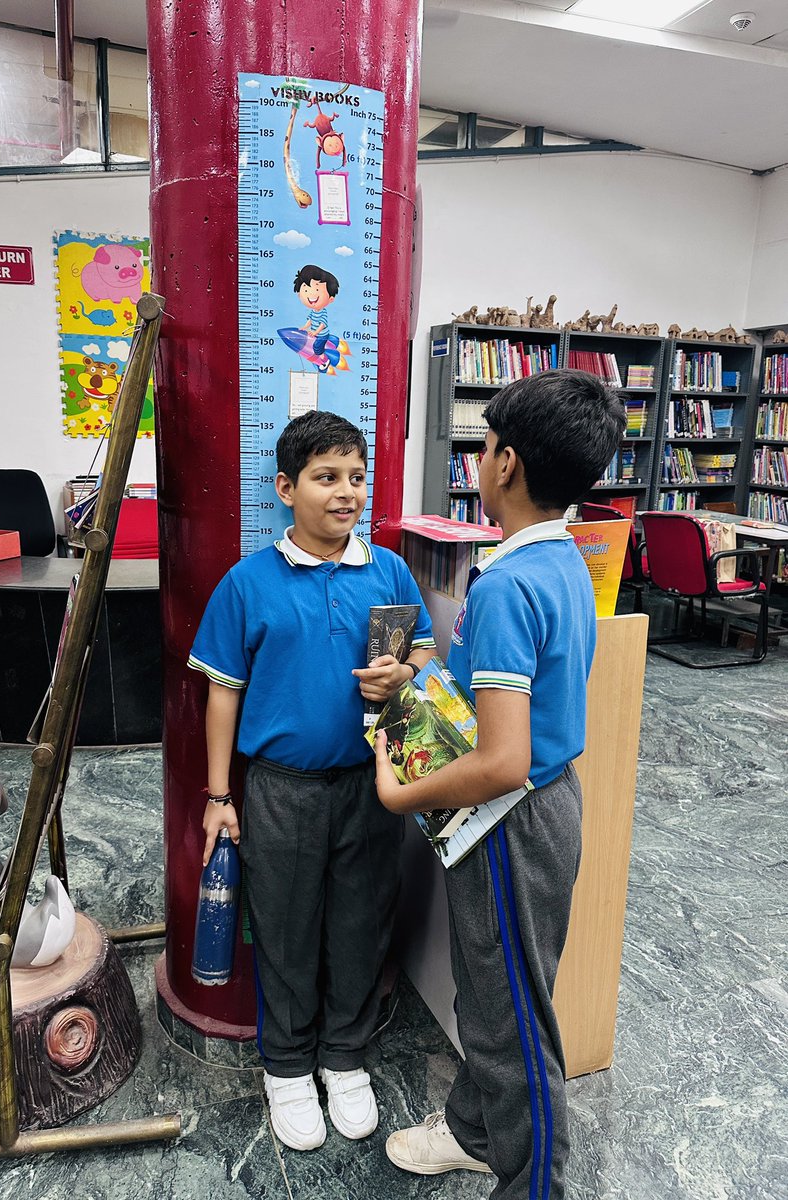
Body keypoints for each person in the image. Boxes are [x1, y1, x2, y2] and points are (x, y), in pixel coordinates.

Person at [374, 370, 626, 1199]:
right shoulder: (562, 557)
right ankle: (475, 1129)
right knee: (496, 995)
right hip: (544, 806)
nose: (481, 460)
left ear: (506, 463)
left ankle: (534, 1183)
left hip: (509, 820)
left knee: (514, 1025)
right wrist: (416, 683)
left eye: (484, 447)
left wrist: (399, 793)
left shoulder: (511, 585)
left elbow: (502, 761)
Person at [188, 410, 436, 1152]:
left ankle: (345, 1056)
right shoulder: (248, 583)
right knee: (287, 927)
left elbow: (422, 652)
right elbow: (223, 692)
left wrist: (405, 673)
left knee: (362, 921)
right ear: (285, 488)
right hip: (282, 790)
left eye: (357, 477)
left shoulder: (388, 571)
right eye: (327, 477)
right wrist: (219, 796)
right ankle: (288, 1067)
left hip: (374, 782)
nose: (346, 492)